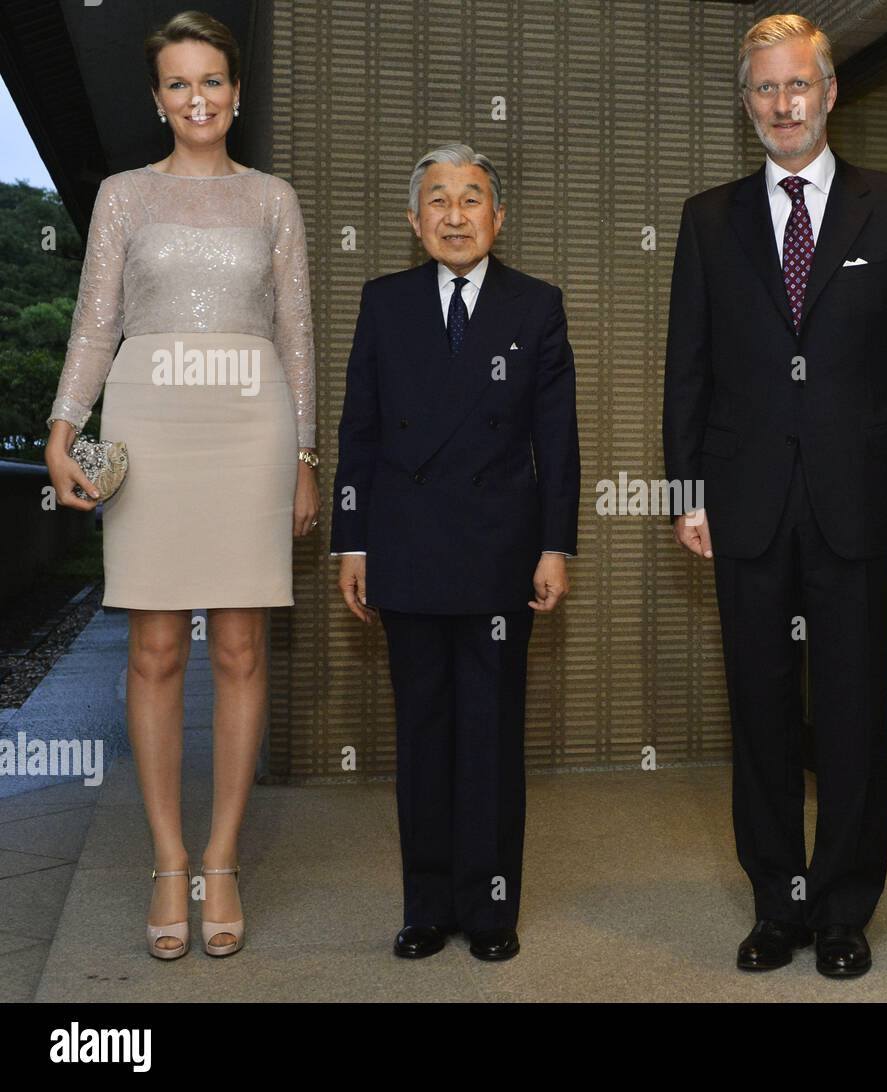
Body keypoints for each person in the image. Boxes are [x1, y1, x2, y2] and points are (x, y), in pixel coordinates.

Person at [662, 13, 887, 977]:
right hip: (744, 503)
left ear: (831, 93)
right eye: (764, 90)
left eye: (798, 86)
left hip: (860, 501)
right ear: (745, 103)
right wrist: (686, 492)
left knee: (855, 709)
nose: (782, 105)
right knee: (760, 709)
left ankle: (843, 911)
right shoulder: (709, 219)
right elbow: (687, 371)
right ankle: (777, 906)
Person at [43, 11, 320, 959]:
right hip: (150, 425)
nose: (197, 98)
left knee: (241, 649)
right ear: (158, 99)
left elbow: (296, 334)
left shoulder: (274, 198)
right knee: (155, 647)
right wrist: (62, 428)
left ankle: (224, 855)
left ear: (236, 93)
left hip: (250, 424)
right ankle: (168, 859)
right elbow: (94, 320)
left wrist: (304, 456)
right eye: (178, 84)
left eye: (212, 80)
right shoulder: (123, 196)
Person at [331, 144, 579, 963]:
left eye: (472, 198)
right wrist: (352, 539)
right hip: (404, 549)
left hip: (502, 553)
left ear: (497, 218)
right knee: (424, 735)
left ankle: (492, 906)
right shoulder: (384, 302)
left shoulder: (536, 306)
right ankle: (426, 907)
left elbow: (558, 442)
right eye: (437, 200)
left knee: (492, 738)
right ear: (414, 221)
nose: (455, 214)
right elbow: (358, 431)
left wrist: (555, 545)